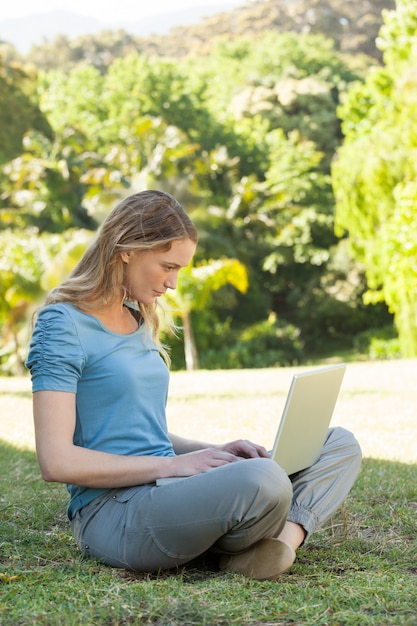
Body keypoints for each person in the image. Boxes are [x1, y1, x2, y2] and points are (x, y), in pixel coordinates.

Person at [26, 189, 362, 580]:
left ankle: (280, 544)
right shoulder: (62, 325)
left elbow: (138, 431)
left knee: (338, 443)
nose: (172, 283)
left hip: (169, 489)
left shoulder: (137, 317)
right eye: (167, 266)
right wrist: (175, 465)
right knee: (263, 479)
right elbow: (56, 461)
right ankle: (248, 534)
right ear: (127, 250)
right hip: (115, 512)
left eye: (179, 270)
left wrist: (213, 452)